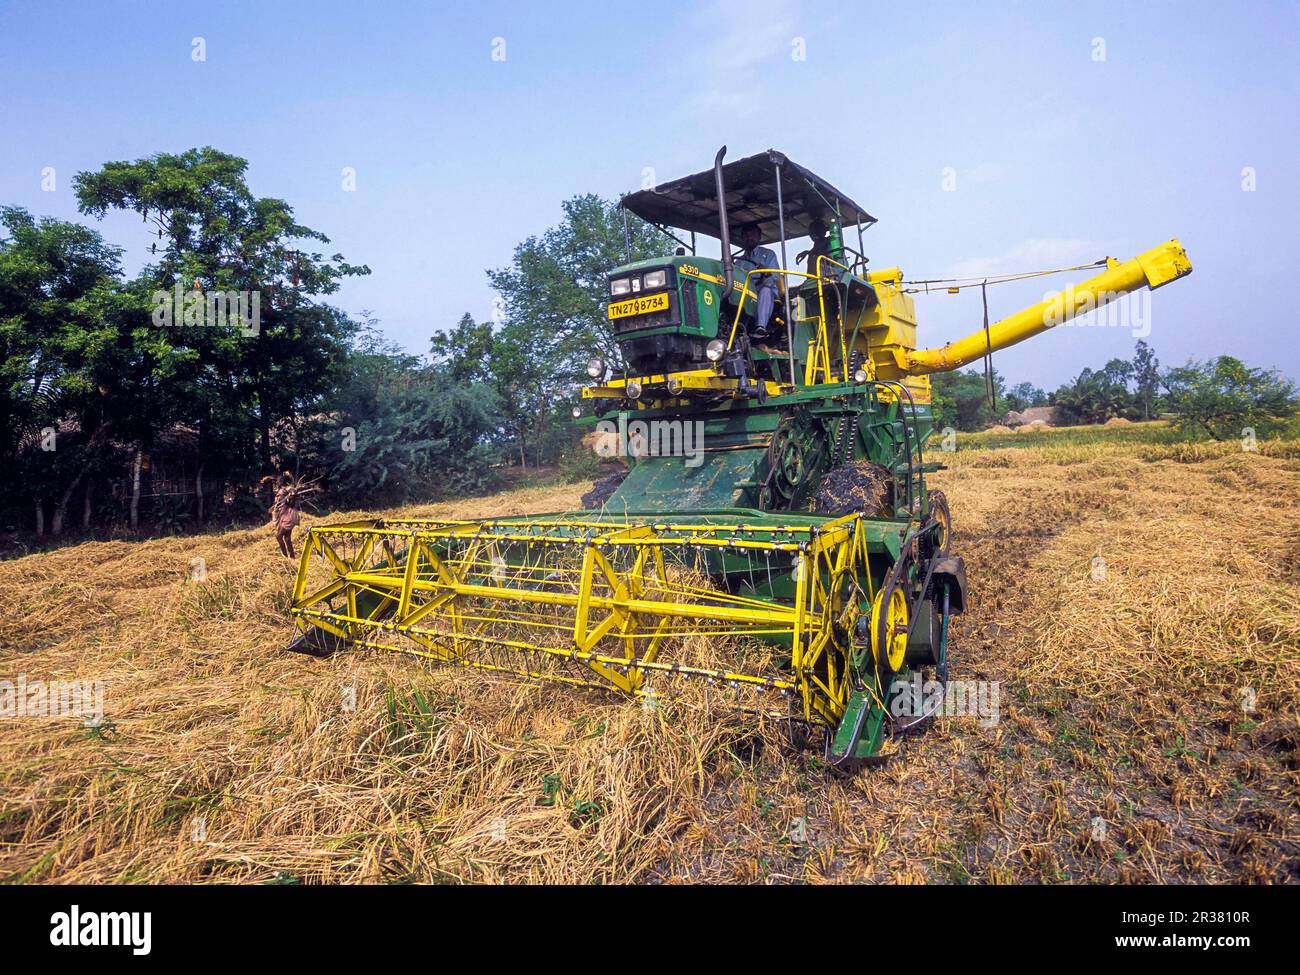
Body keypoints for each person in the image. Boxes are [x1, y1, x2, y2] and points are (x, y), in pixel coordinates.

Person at [734, 224, 780, 344]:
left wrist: (765, 272)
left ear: (759, 237)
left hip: (762, 291)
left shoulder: (768, 254)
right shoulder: (738, 262)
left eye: (753, 235)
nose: (750, 238)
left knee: (766, 290)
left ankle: (761, 327)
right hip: (745, 293)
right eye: (746, 236)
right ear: (742, 238)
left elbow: (775, 276)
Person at [270, 471, 301, 559]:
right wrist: (273, 507)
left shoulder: (287, 489)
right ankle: (292, 557)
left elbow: (293, 501)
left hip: (288, 515)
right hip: (284, 515)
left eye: (278, 481)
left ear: (282, 482)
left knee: (279, 536)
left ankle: (285, 557)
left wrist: (291, 498)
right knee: (287, 538)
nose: (277, 483)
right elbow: (279, 503)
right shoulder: (280, 491)